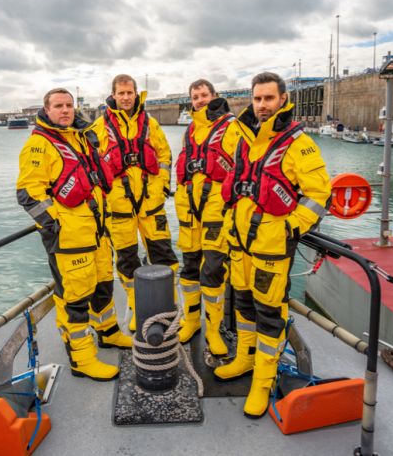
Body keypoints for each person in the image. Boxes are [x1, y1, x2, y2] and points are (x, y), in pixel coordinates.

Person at [216, 72, 331, 419]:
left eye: (269, 98)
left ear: (283, 99)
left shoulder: (299, 143)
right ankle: (244, 360)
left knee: (269, 314)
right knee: (242, 305)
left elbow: (319, 194)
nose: (262, 105)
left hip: (271, 248)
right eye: (257, 99)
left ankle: (262, 381)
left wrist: (290, 228)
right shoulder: (242, 138)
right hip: (239, 244)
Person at [16, 88, 132, 382]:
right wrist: (57, 226)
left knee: (104, 284)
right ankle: (82, 360)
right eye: (58, 106)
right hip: (70, 240)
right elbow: (29, 193)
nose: (65, 110)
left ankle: (108, 332)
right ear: (47, 110)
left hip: (97, 233)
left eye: (69, 105)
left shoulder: (80, 138)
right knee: (75, 300)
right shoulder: (40, 145)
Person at [92, 74, 178, 333]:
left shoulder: (150, 124)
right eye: (121, 93)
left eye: (130, 93)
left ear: (136, 93)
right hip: (118, 209)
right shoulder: (98, 127)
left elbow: (164, 155)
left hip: (151, 205)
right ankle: (135, 306)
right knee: (127, 260)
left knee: (164, 255)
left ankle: (169, 305)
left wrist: (162, 186)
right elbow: (94, 165)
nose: (126, 97)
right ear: (113, 95)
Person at [173, 79, 237, 352]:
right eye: (195, 96)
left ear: (214, 96)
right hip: (189, 211)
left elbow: (241, 165)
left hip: (216, 210)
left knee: (212, 270)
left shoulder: (231, 126)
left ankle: (213, 329)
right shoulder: (191, 129)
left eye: (204, 95)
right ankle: (191, 321)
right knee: (189, 268)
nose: (199, 100)